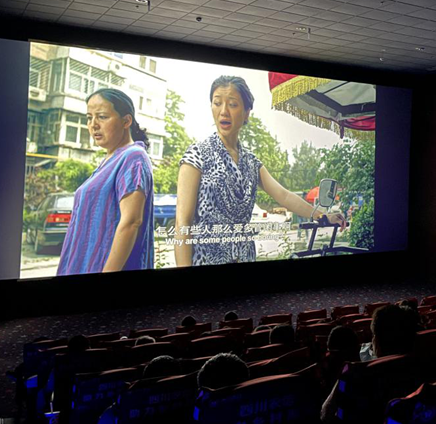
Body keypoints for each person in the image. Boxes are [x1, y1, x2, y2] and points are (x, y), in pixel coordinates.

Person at [174, 75, 346, 266]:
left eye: (232, 104)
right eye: (217, 103)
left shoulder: (251, 162)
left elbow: (284, 196)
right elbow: (182, 222)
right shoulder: (197, 154)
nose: (223, 111)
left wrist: (322, 215)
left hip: (245, 259)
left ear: (246, 112)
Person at [56, 89, 154, 275]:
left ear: (126, 121)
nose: (93, 125)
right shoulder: (110, 160)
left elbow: (132, 222)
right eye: (89, 118)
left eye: (102, 117)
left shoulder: (133, 157)